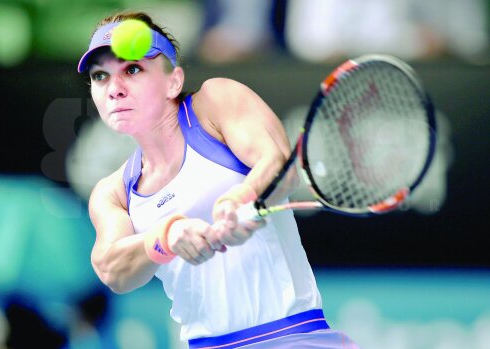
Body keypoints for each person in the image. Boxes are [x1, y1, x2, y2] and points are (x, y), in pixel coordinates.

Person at [78, 11, 361, 349]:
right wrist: (166, 237)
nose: (114, 89)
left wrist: (238, 199)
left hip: (294, 338)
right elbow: (113, 270)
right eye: (100, 77)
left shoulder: (215, 102)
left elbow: (280, 167)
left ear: (173, 81)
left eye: (133, 69)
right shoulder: (112, 193)